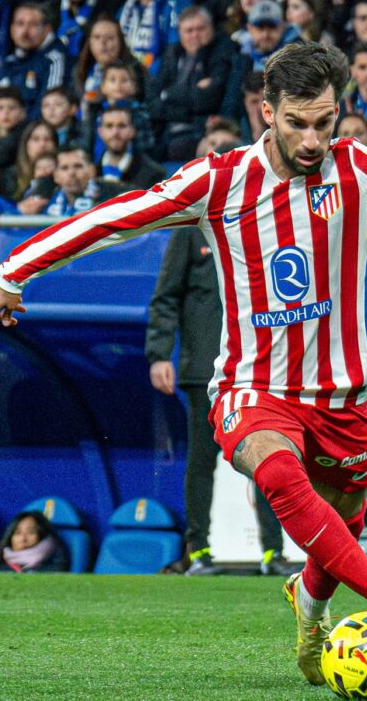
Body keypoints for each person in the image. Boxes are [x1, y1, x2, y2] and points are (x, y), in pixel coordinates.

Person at [0, 42, 367, 685]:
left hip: (340, 394)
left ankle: (309, 605)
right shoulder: (220, 180)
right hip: (251, 386)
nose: (312, 139)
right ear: (268, 111)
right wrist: (15, 270)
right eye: (298, 123)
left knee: (339, 527)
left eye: (324, 122)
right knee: (280, 473)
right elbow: (117, 217)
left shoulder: (356, 167)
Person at [146, 226, 292, 577]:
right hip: (206, 368)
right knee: (202, 459)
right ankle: (199, 550)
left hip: (257, 368)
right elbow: (166, 296)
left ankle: (273, 551)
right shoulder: (191, 231)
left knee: (267, 456)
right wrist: (159, 353)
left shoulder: (262, 224)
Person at [147, 6, 235, 161]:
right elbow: (153, 101)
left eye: (201, 29)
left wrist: (167, 95)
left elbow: (208, 99)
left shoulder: (222, 50)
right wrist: (183, 101)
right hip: (165, 131)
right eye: (189, 31)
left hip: (199, 133)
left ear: (212, 28)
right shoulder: (172, 53)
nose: (195, 35)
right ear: (180, 34)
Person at [0, 3, 70, 119]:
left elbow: (49, 109)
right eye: (20, 24)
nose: (25, 31)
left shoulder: (54, 60)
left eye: (33, 25)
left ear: (47, 29)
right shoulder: (8, 63)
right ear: (11, 29)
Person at [0, 510, 71, 572]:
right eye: (18, 533)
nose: (23, 539)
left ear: (43, 535)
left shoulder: (55, 565)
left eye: (31, 532)